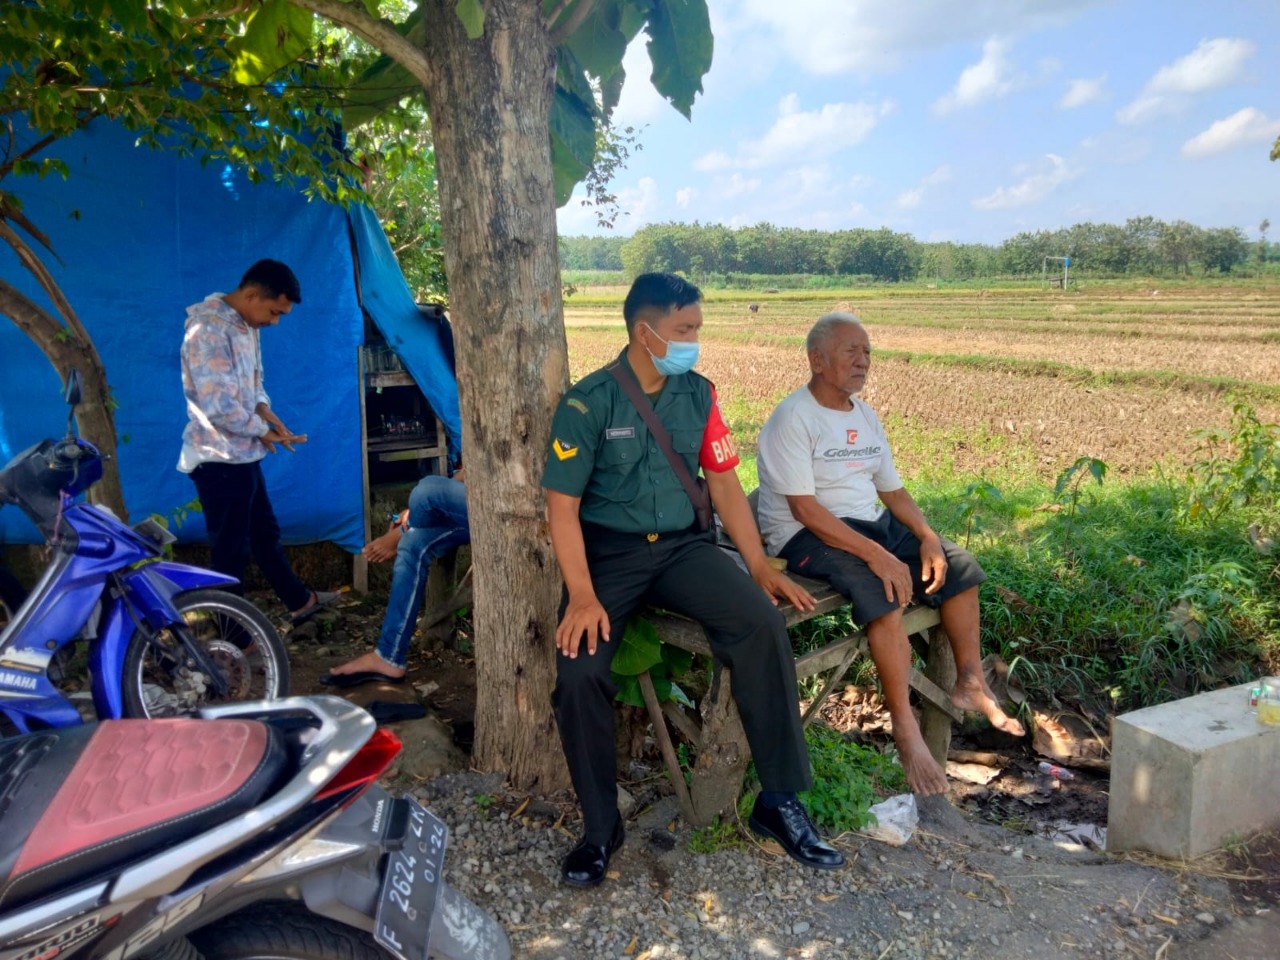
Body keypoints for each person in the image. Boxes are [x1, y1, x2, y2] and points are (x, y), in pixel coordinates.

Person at [542, 272, 844, 888]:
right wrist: (581, 595)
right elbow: (561, 509)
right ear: (643, 331)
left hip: (684, 549)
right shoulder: (588, 403)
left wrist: (758, 565)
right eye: (684, 331)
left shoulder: (700, 396)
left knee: (760, 624)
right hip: (610, 560)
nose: (694, 342)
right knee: (579, 673)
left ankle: (778, 801)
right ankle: (601, 829)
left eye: (697, 329)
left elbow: (726, 482)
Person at [756, 312, 1025, 797]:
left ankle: (969, 680)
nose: (863, 362)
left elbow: (893, 491)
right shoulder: (792, 418)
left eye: (867, 352)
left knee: (958, 566)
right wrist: (877, 556)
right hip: (802, 535)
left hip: (865, 524)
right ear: (817, 360)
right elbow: (806, 509)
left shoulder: (864, 415)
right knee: (885, 589)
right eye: (850, 352)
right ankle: (906, 728)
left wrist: (925, 534)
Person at [178, 259, 335, 624]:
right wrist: (264, 431)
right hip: (217, 458)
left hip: (242, 453)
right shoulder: (208, 328)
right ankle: (233, 639)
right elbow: (217, 406)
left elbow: (254, 380)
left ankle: (300, 600)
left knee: (264, 534)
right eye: (274, 312)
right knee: (230, 552)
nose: (274, 321)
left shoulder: (248, 324)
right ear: (251, 294)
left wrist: (266, 411)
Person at [320, 471, 469, 686]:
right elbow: (467, 472)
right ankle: (388, 657)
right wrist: (420, 515)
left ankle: (400, 532)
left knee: (426, 490)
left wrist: (408, 523)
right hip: (475, 509)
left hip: (516, 505)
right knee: (412, 543)